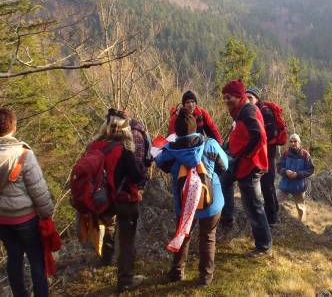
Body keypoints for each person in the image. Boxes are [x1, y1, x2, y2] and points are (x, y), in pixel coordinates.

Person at [155, 109, 228, 286]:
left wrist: (167, 144)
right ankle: (205, 277)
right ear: (196, 127)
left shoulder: (170, 152)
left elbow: (159, 162)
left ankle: (177, 272)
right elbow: (224, 166)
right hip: (211, 202)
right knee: (208, 237)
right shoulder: (210, 144)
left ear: (177, 131)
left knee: (183, 234)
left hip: (185, 203)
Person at [0, 108, 54, 297]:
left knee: (13, 257)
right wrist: (47, 212)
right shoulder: (23, 154)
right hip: (25, 219)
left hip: (2, 220)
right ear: (13, 127)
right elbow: (37, 189)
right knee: (36, 259)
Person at [91, 108, 146, 293]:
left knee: (107, 227)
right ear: (124, 129)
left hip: (102, 199)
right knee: (126, 240)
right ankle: (125, 279)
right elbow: (137, 177)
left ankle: (105, 259)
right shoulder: (124, 150)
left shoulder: (94, 146)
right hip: (123, 200)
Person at [220, 79, 272, 257]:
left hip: (250, 166)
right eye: (224, 97)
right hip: (242, 162)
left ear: (238, 96)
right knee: (224, 179)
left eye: (229, 97)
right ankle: (227, 218)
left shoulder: (247, 111)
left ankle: (263, 246)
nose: (226, 100)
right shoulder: (241, 110)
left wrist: (245, 155)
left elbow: (258, 136)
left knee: (253, 205)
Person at [246, 86, 286, 225]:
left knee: (267, 185)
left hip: (268, 154)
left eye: (250, 97)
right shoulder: (251, 111)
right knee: (265, 184)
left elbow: (273, 134)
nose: (248, 100)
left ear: (257, 98)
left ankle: (272, 217)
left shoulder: (265, 112)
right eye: (246, 98)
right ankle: (273, 210)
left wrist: (257, 140)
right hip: (260, 154)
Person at [276, 134, 314, 222]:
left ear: (299, 143)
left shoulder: (305, 154)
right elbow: (279, 167)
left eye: (295, 141)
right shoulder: (285, 153)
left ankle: (302, 226)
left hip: (299, 187)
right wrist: (285, 171)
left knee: (301, 208)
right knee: (276, 203)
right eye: (291, 141)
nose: (293, 143)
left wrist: (298, 174)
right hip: (285, 185)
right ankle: (274, 221)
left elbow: (311, 170)